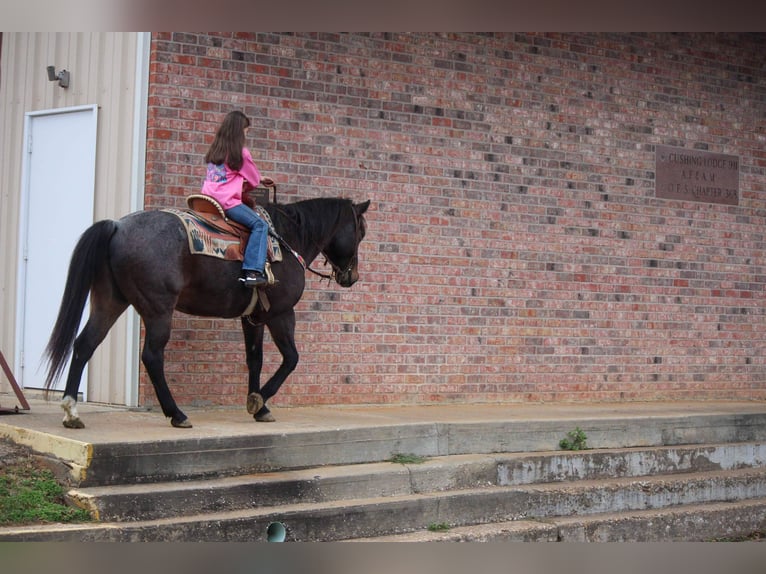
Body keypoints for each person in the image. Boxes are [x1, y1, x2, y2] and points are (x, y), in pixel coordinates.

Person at [201, 110, 272, 288]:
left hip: (207, 200)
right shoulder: (241, 153)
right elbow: (254, 180)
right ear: (240, 131)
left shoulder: (216, 150)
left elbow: (230, 174)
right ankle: (253, 271)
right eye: (246, 131)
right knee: (260, 225)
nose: (246, 136)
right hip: (226, 203)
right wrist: (259, 179)